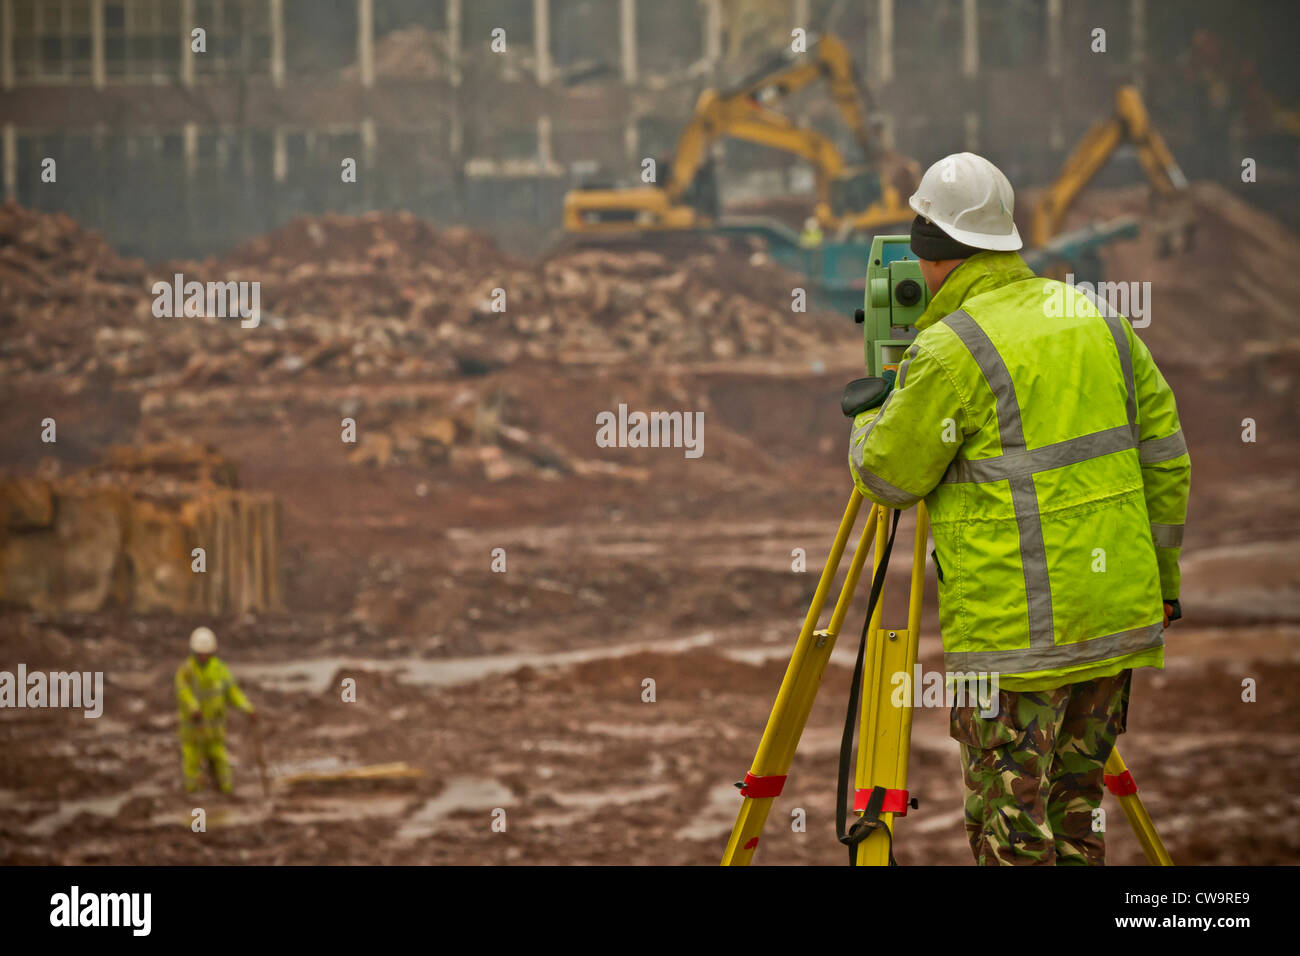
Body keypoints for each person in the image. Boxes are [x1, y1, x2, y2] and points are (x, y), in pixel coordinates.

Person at [848, 152, 1190, 865]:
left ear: (932, 257)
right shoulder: (1097, 317)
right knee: (1074, 817)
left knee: (1012, 830)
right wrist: (1161, 584)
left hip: (1013, 647)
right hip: (1115, 622)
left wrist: (870, 415)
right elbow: (1166, 459)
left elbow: (887, 475)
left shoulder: (950, 351)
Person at [176, 626, 257, 794]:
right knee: (192, 764)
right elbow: (184, 693)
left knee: (221, 762)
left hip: (214, 730)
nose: (204, 656)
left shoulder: (220, 670)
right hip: (193, 730)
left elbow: (233, 692)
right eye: (200, 653)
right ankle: (193, 796)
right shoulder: (186, 671)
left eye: (206, 653)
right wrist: (193, 708)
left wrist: (247, 708)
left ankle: (226, 793)